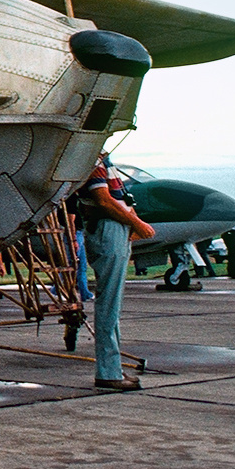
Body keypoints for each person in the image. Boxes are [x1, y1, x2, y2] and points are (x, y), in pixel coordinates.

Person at [80, 156, 155, 392]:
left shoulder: (104, 162)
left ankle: (112, 368)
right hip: (107, 228)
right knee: (109, 303)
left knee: (113, 304)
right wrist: (137, 222)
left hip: (114, 228)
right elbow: (103, 200)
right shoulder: (92, 161)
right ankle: (108, 372)